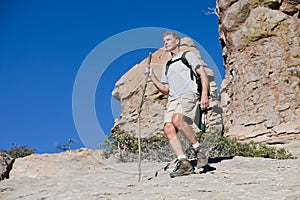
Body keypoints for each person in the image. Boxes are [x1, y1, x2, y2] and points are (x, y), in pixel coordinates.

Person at [144, 31, 210, 178]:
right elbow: (165, 89)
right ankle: (184, 162)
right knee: (168, 128)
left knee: (177, 120)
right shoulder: (167, 65)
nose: (165, 43)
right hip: (173, 99)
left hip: (188, 94)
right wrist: (152, 76)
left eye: (168, 40)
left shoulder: (187, 56)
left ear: (177, 41)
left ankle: (199, 151)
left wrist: (204, 94)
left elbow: (202, 74)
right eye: (164, 41)